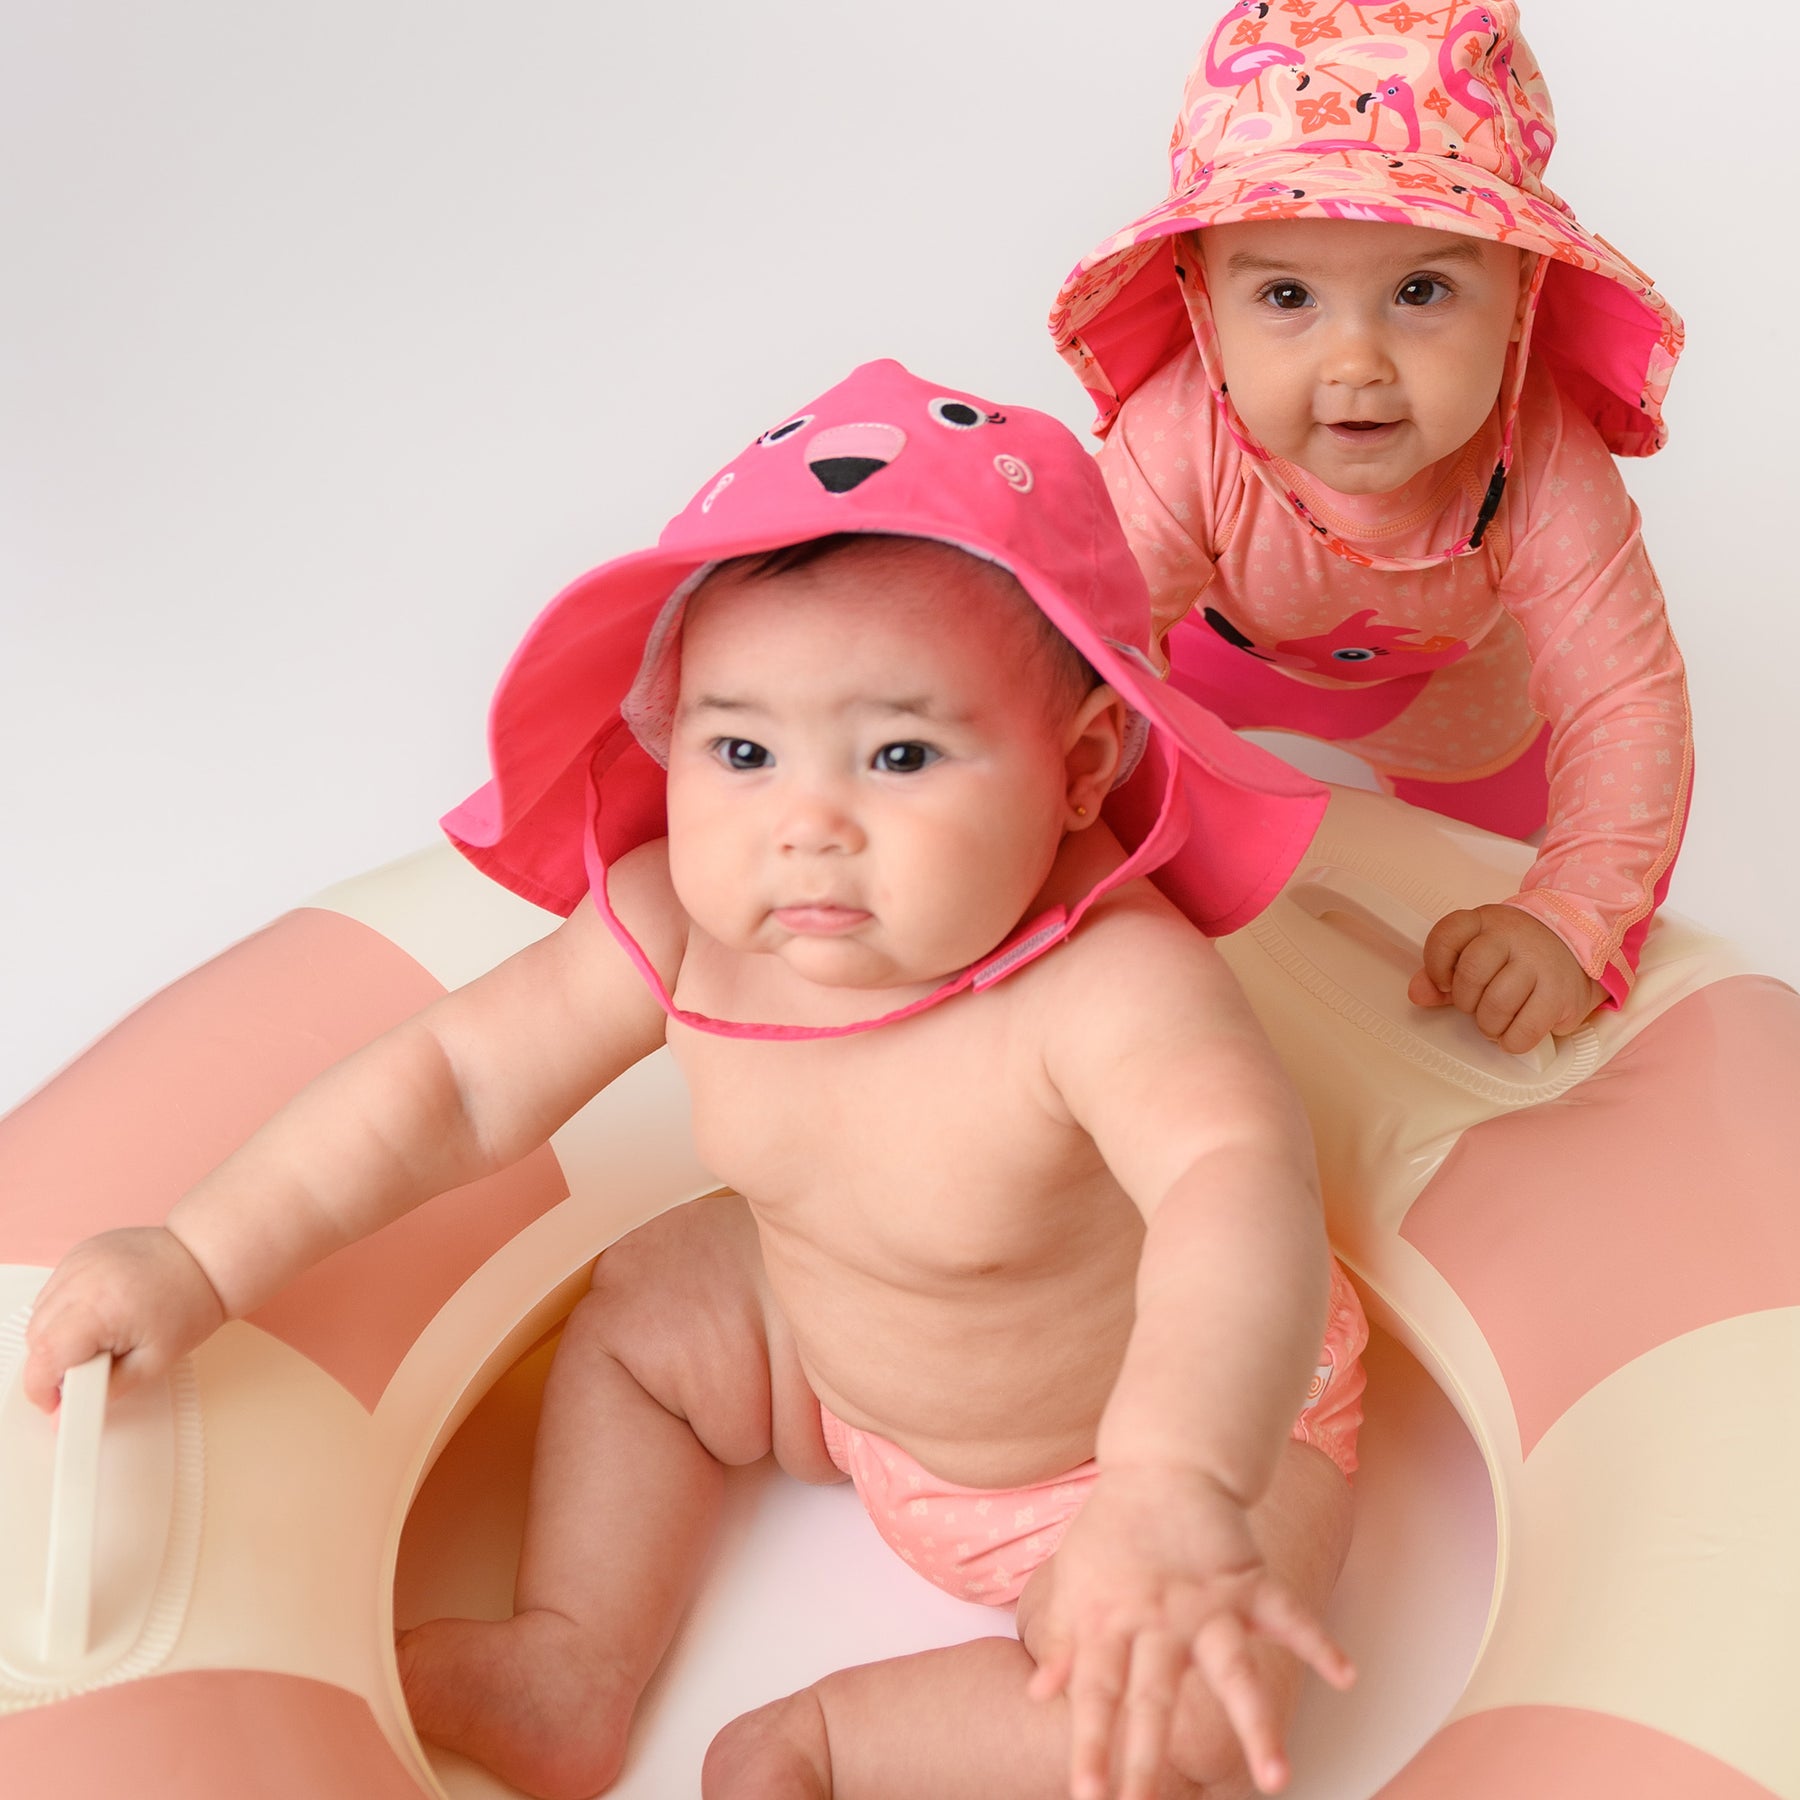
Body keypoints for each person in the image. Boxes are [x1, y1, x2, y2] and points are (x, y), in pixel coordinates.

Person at [25, 360, 1366, 1800]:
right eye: (743, 750)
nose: (807, 826)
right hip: (836, 1366)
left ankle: (825, 1743)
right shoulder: (684, 921)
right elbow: (453, 1086)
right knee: (650, 1314)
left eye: (898, 753)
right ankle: (572, 1658)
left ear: (1082, 766)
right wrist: (199, 1255)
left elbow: (1235, 1189)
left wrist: (1177, 1478)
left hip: (1141, 1449)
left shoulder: (1108, 981)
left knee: (1196, 1726)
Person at [1049, 0, 1689, 1058]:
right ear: (1201, 298)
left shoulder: (1544, 459)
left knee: (1477, 863)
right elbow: (1080, 652)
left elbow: (1624, 698)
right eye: (1286, 295)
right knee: (1141, 853)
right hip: (1209, 670)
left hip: (1455, 691)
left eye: (1422, 290)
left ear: (1522, 294)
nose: (1356, 364)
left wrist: (1572, 916)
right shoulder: (1180, 433)